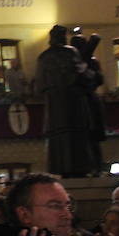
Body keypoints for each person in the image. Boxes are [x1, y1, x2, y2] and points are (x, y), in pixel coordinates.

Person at [37, 25, 100, 177]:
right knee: (76, 138)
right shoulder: (70, 52)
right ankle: (81, 168)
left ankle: (61, 168)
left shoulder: (43, 57)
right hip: (73, 106)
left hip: (54, 108)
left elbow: (39, 86)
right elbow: (81, 74)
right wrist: (91, 76)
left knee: (59, 139)